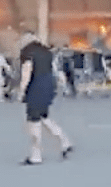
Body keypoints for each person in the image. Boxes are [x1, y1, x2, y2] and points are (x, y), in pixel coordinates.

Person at [18, 31, 72, 165]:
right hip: (48, 85)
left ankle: (36, 155)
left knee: (33, 121)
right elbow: (55, 70)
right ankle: (64, 140)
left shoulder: (27, 52)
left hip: (35, 87)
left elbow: (27, 72)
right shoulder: (47, 51)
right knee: (43, 116)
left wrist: (21, 91)